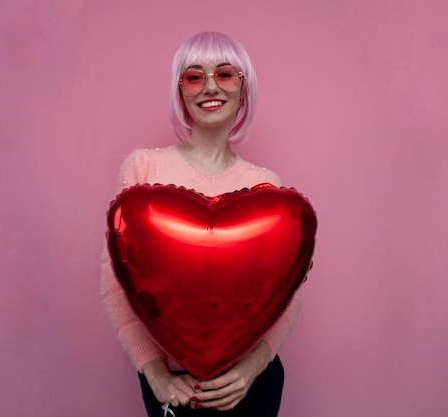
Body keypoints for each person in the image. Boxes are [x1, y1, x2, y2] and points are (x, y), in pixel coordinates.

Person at [101, 31, 302, 417]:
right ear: (181, 92)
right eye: (194, 76)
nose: (210, 86)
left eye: (225, 74)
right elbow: (116, 284)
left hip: (251, 387)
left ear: (243, 89)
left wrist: (250, 369)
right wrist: (156, 375)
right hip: (174, 389)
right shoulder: (144, 169)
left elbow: (287, 294)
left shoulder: (267, 188)